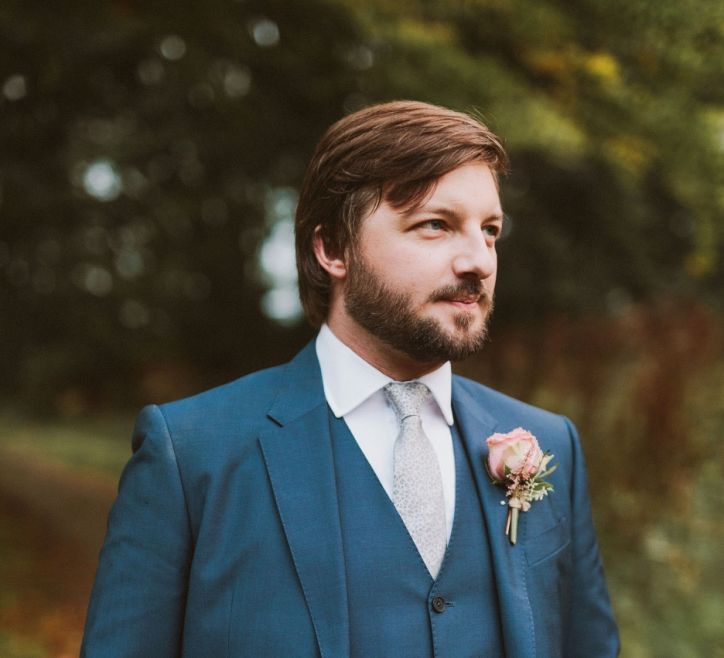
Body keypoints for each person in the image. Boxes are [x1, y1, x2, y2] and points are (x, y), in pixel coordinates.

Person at [81, 100, 619, 657]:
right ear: (333, 248)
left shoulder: (550, 442)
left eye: (489, 231)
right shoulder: (192, 455)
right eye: (435, 225)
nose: (478, 261)